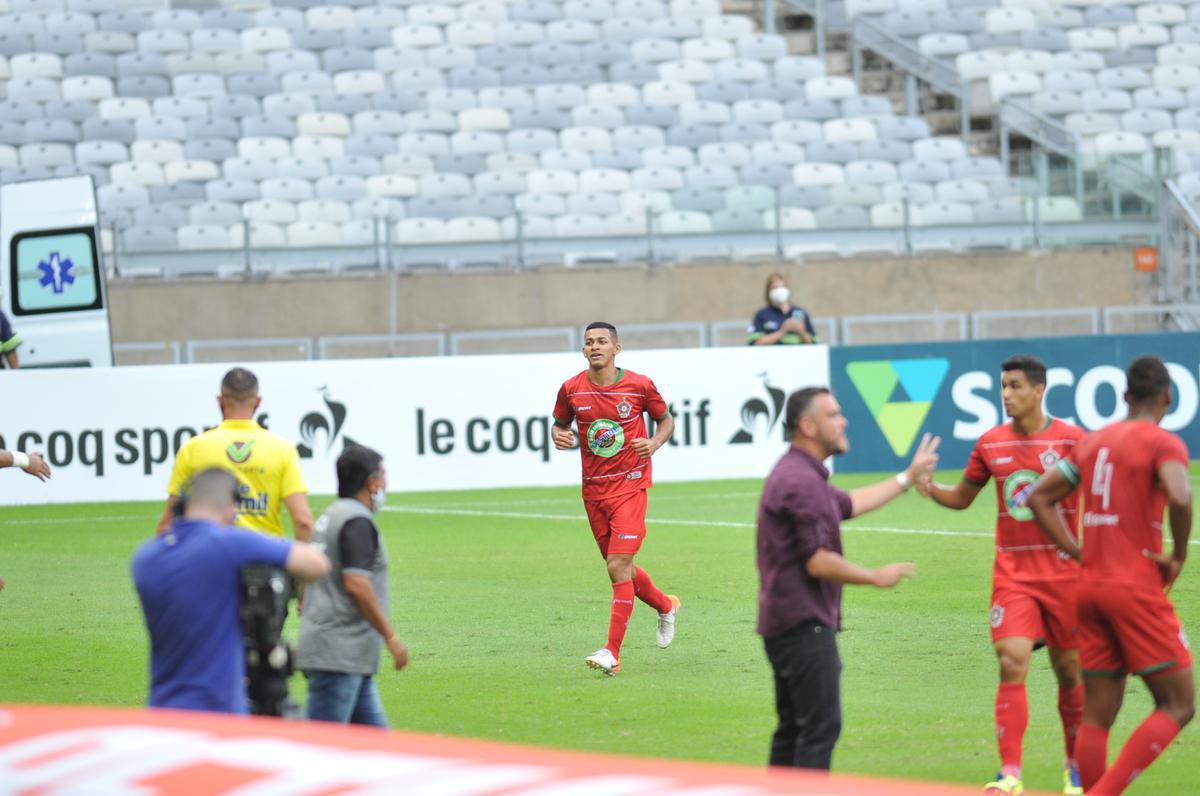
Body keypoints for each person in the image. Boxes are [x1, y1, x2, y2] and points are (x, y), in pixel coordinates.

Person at [916, 354, 1086, 796]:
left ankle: (1075, 768)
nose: (1006, 394)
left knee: (1069, 672)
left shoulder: (1072, 441)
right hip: (1014, 577)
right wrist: (930, 487)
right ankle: (1010, 773)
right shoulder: (990, 443)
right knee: (1012, 660)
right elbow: (961, 498)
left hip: (1066, 578)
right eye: (1003, 386)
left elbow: (1102, 496)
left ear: (1038, 390)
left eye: (1014, 386)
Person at [1027, 355, 1194, 796]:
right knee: (1179, 703)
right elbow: (1180, 495)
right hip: (1134, 586)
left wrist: (1076, 549)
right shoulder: (1163, 443)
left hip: (1088, 587)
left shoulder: (1092, 442)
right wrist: (1176, 555)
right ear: (1168, 398)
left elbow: (1039, 497)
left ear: (1123, 396)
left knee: (1098, 715)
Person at [757, 386, 937, 770]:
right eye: (834, 414)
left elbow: (849, 504)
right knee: (819, 729)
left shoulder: (802, 475)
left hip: (786, 624)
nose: (844, 421)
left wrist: (906, 478)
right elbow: (818, 561)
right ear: (808, 426)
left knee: (793, 730)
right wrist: (875, 576)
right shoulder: (800, 482)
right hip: (803, 626)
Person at [132, 468, 329, 714]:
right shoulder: (230, 545)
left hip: (163, 711)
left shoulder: (145, 558)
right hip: (218, 712)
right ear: (231, 504)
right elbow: (317, 565)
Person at [552, 321, 679, 676]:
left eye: (602, 341)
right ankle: (666, 606)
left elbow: (666, 420)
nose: (595, 346)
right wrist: (558, 435)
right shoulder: (571, 389)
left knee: (617, 566)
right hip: (593, 491)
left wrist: (653, 443)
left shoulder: (639, 385)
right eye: (589, 342)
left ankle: (612, 651)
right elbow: (559, 424)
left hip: (631, 485)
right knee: (621, 568)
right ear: (583, 350)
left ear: (616, 349)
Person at [297, 445, 409, 727]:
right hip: (338, 656)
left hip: (346, 656)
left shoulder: (330, 515)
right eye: (382, 476)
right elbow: (357, 584)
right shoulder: (357, 521)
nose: (385, 483)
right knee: (323, 751)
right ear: (371, 482)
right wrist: (391, 637)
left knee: (377, 750)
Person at [156, 367, 313, 542]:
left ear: (220, 401)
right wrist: (301, 562)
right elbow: (303, 521)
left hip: (211, 558)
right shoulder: (282, 449)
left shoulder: (193, 449)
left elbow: (167, 525)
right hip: (264, 559)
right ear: (258, 402)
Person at [747, 273, 817, 346]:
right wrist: (783, 331)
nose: (780, 291)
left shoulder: (801, 312)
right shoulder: (762, 314)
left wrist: (801, 331)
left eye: (783, 287)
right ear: (768, 291)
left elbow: (814, 344)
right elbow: (754, 344)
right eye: (775, 287)